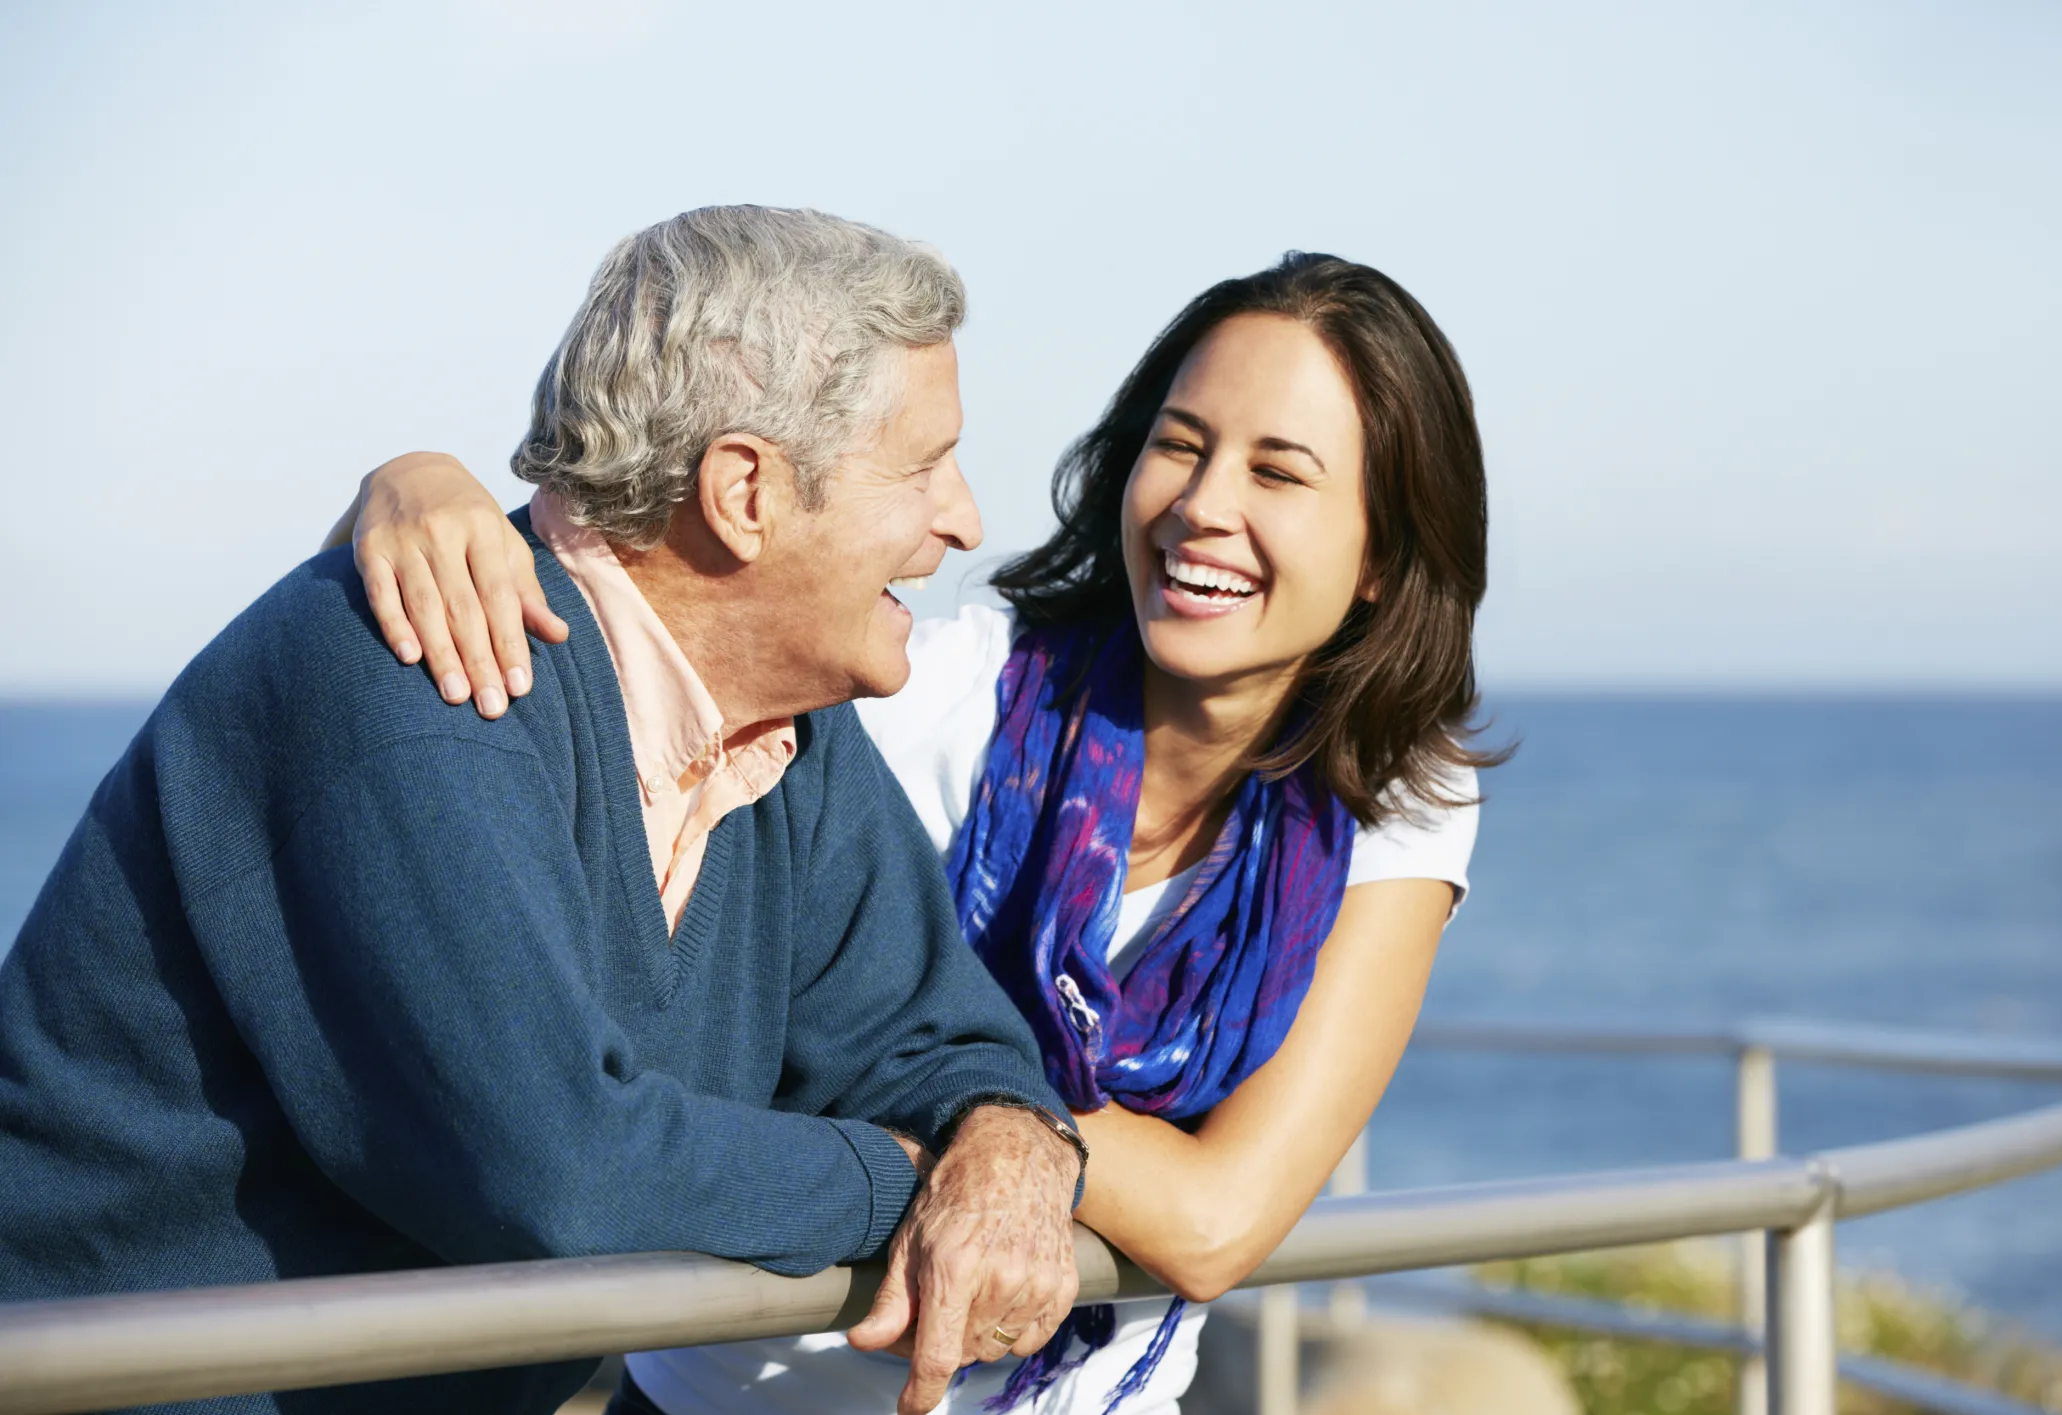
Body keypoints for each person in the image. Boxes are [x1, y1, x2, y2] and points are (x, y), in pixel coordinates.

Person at [348, 251, 1501, 1415]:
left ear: (1383, 559)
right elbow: (631, 657)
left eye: (1279, 472)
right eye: (1181, 443)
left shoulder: (1399, 801)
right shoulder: (933, 695)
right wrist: (416, 483)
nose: (1205, 505)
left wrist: (972, 1113)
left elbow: (1216, 1222)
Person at [0, 206, 1089, 1415]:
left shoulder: (794, 737)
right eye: (924, 463)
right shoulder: (417, 675)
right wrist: (898, 1178)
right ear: (745, 491)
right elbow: (559, 1173)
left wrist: (1002, 1147)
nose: (966, 519)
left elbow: (940, 1037)